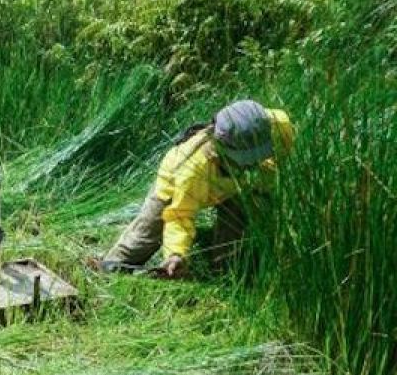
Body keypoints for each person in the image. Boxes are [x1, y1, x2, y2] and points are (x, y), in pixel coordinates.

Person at [94, 99, 294, 277]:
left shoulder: (278, 125)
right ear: (221, 149)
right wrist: (176, 254)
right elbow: (180, 215)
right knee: (146, 235)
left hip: (238, 186)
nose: (252, 163)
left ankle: (228, 270)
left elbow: (285, 162)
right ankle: (110, 267)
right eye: (246, 159)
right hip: (174, 185)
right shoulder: (193, 168)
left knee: (237, 221)